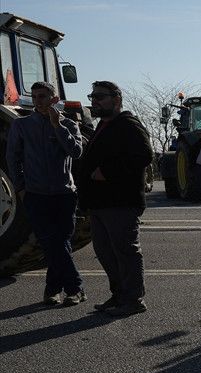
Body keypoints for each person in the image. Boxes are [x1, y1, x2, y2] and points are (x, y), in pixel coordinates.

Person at [76, 81, 154, 316]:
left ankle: (133, 300)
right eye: (92, 97)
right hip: (100, 203)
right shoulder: (103, 125)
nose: (94, 101)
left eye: (100, 97)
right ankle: (119, 295)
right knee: (105, 252)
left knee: (125, 252)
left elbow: (144, 155)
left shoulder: (128, 125)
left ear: (117, 99)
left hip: (120, 202)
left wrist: (107, 172)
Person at [6, 80, 86, 305]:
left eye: (42, 97)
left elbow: (76, 152)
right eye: (34, 97)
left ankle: (52, 290)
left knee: (59, 243)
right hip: (36, 194)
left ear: (54, 99)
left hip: (64, 193)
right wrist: (20, 188)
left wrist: (57, 126)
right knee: (52, 242)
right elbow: (13, 158)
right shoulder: (21, 125)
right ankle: (75, 288)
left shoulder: (69, 125)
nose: (37, 101)